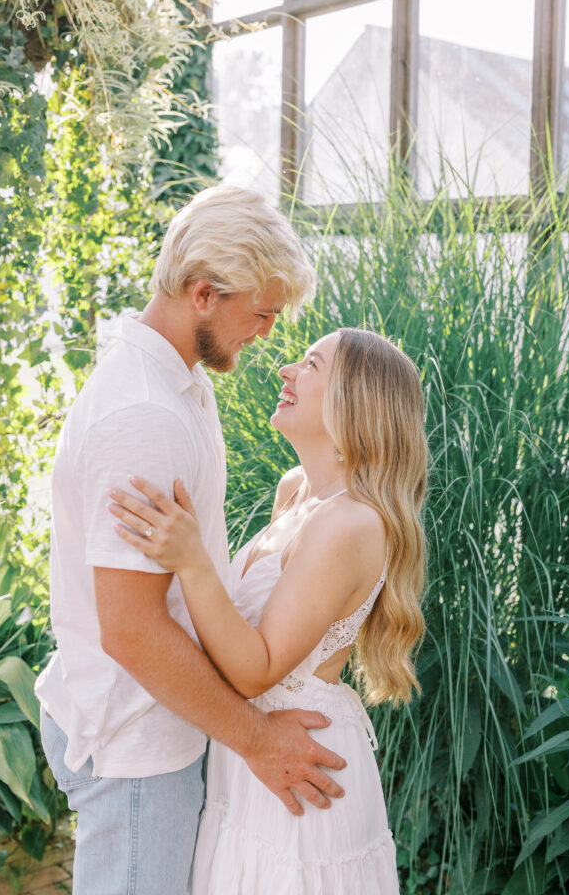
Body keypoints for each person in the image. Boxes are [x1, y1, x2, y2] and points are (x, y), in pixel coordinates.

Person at [34, 185, 348, 895]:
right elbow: (132, 630)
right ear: (203, 293)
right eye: (261, 313)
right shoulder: (144, 413)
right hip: (136, 745)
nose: (267, 333)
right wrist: (259, 740)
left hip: (157, 725)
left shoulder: (174, 383)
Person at [108, 327, 428, 894]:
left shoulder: (351, 523)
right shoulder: (296, 491)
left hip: (300, 763)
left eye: (310, 365)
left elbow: (258, 667)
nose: (285, 370)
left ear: (355, 401)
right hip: (256, 752)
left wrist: (192, 560)